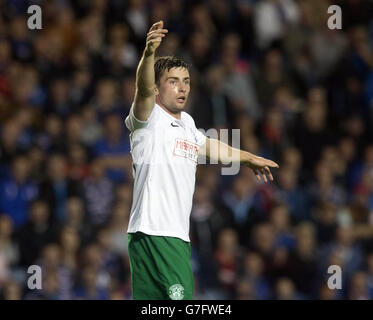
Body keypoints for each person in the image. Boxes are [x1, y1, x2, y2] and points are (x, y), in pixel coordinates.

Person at [125, 21, 279, 300]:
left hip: (154, 234)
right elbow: (143, 89)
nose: (183, 88)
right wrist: (149, 54)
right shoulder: (148, 119)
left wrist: (249, 158)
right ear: (158, 89)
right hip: (161, 233)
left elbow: (211, 147)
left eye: (186, 82)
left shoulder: (187, 124)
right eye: (174, 81)